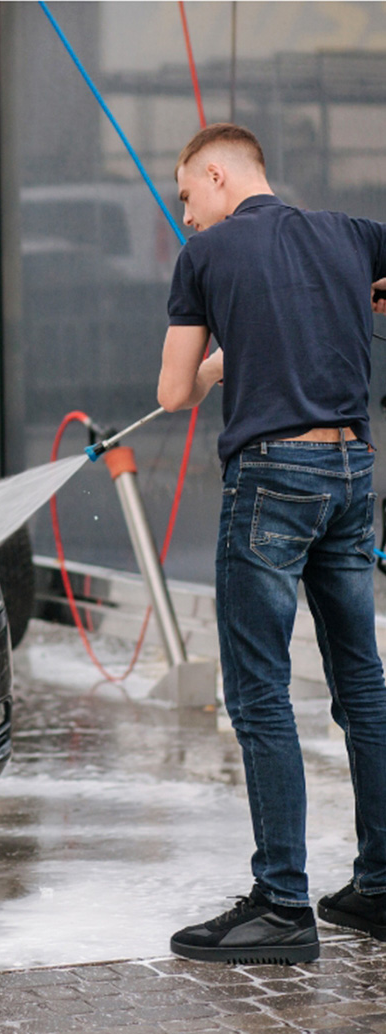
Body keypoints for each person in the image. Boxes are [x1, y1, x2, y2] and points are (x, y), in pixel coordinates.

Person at [157, 122, 386, 964]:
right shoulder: (351, 235)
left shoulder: (206, 258)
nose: (185, 216)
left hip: (272, 478)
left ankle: (282, 905)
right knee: (360, 681)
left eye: (186, 196)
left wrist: (217, 359)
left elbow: (172, 390)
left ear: (217, 174)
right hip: (351, 470)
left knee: (258, 693)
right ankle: (379, 885)